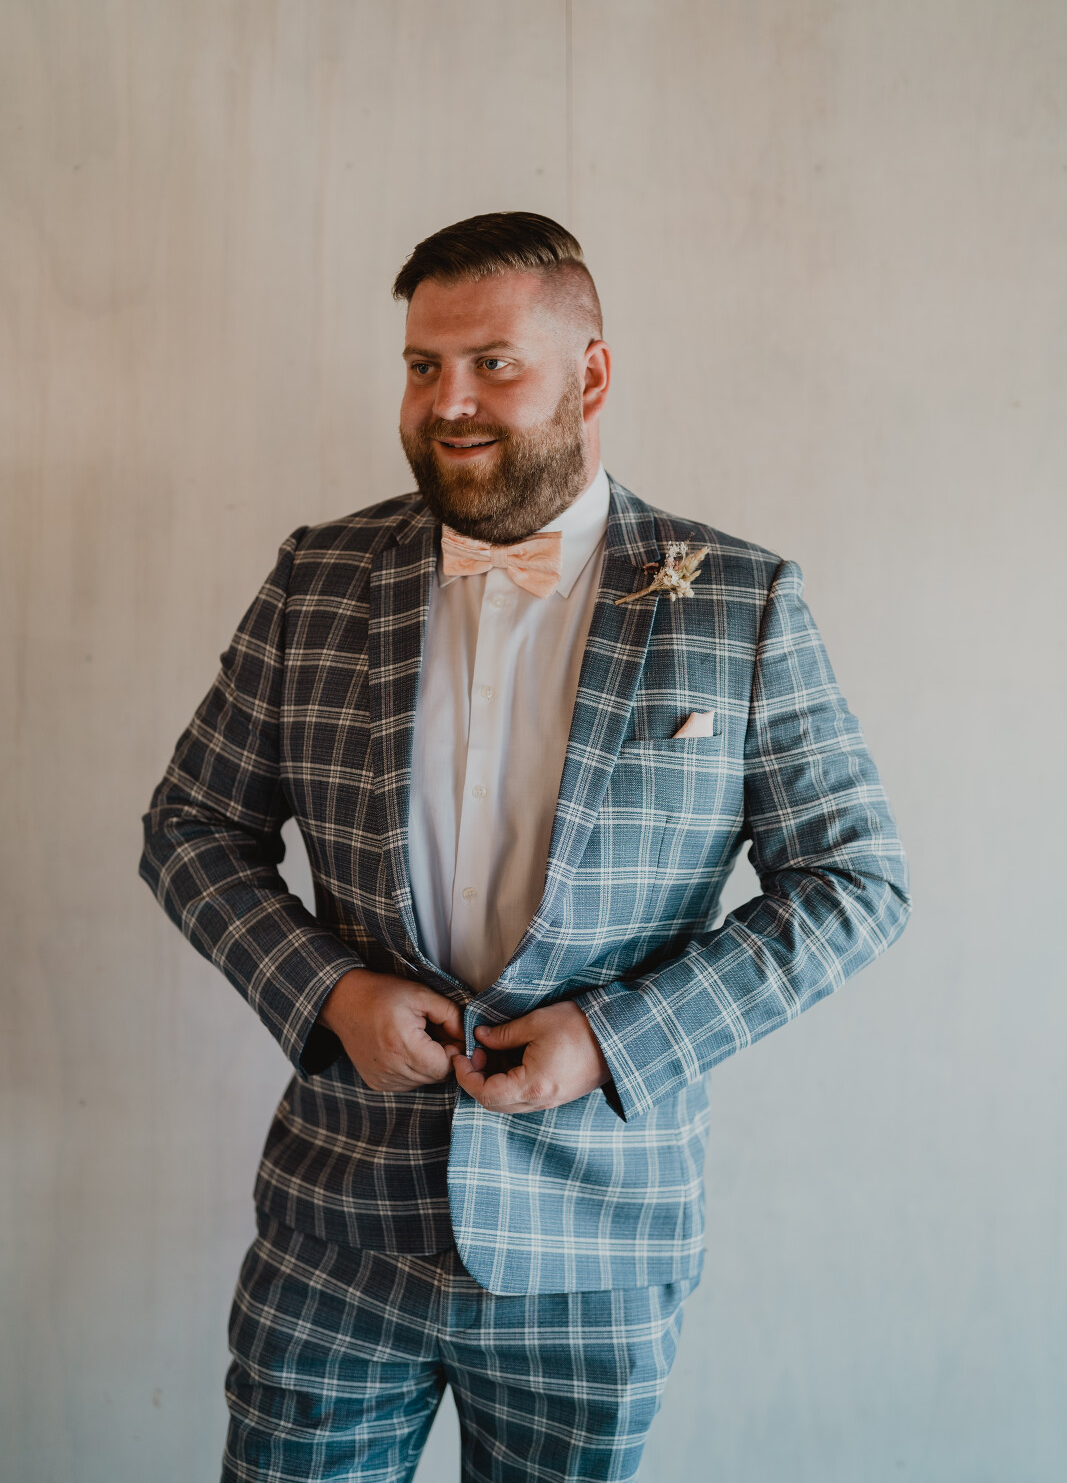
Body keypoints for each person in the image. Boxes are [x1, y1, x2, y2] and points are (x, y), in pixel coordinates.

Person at [140, 211, 911, 1482]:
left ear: (589, 375)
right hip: (335, 1231)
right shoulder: (315, 577)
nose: (448, 402)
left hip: (594, 1251)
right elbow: (191, 825)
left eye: (492, 363)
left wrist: (611, 1040)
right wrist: (330, 992)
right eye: (422, 365)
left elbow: (853, 884)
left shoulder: (739, 601)